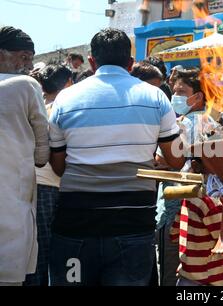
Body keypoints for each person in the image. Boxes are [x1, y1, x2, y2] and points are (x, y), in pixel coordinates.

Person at [48, 28, 184, 286]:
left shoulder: (65, 99)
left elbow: (58, 167)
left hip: (75, 227)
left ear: (91, 61)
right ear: (131, 63)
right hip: (132, 228)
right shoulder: (155, 97)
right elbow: (176, 160)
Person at [162, 68, 223, 286]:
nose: (175, 96)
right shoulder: (216, 121)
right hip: (213, 199)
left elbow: (166, 159)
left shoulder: (184, 123)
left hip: (186, 197)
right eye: (174, 91)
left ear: (198, 96)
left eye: (181, 91)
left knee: (180, 258)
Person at [0, 26, 50, 286]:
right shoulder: (27, 85)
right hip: (11, 203)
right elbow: (42, 150)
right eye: (23, 57)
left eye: (30, 58)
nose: (28, 65)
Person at [24, 64, 72, 286]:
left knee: (36, 251)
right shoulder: (60, 111)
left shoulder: (39, 108)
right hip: (51, 186)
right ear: (69, 84)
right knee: (50, 252)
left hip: (33, 185)